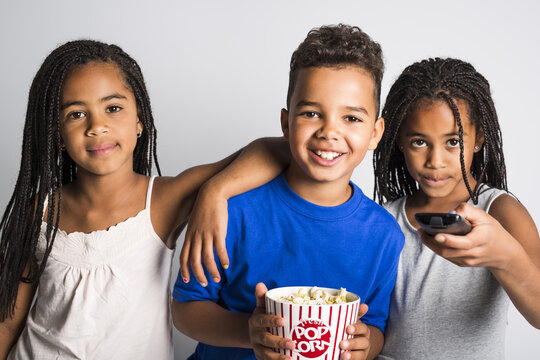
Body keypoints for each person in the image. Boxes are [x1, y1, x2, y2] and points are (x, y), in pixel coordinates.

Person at [0, 39, 290, 359]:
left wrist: (214, 190)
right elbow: (8, 323)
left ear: (139, 120)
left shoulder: (163, 201)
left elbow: (277, 149)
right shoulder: (38, 212)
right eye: (76, 114)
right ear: (57, 133)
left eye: (113, 108)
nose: (97, 126)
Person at [172, 24, 405, 360]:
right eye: (311, 113)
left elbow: (376, 326)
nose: (329, 132)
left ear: (375, 133)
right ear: (286, 123)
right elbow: (185, 308)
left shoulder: (384, 235)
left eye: (351, 118)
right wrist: (249, 332)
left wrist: (367, 345)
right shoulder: (231, 211)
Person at [372, 58, 540, 359]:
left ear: (479, 139)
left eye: (453, 141)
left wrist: (505, 257)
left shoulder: (499, 211)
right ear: (398, 140)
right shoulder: (383, 219)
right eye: (420, 142)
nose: (436, 160)